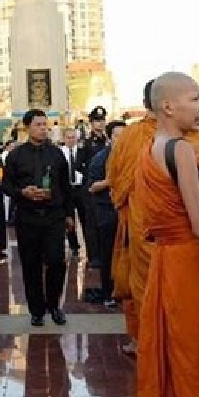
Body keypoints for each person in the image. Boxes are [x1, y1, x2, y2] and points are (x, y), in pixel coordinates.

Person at [134, 72, 199, 397]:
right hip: (192, 265)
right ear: (168, 106)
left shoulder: (148, 148)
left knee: (175, 357)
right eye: (196, 98)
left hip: (166, 262)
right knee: (195, 362)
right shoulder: (181, 149)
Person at [109, 80, 199, 346]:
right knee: (190, 339)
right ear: (167, 106)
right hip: (187, 248)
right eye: (196, 99)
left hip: (151, 235)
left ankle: (144, 341)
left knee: (155, 306)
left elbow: (116, 182)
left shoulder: (142, 143)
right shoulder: (189, 145)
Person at [2, 108, 72, 327]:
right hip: (27, 217)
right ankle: (36, 310)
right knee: (30, 264)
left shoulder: (57, 154)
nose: (43, 129)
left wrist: (69, 214)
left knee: (56, 261)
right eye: (38, 125)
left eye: (45, 125)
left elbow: (66, 186)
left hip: (53, 216)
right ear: (27, 127)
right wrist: (23, 192)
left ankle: (54, 305)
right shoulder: (16, 155)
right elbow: (6, 185)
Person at [85, 120, 126, 308]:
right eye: (118, 136)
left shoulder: (131, 157)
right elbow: (92, 187)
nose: (122, 140)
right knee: (108, 253)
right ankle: (108, 292)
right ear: (109, 138)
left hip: (129, 211)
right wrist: (111, 181)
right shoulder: (100, 159)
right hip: (108, 210)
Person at [78, 106, 111, 268]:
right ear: (91, 123)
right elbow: (79, 164)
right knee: (91, 222)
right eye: (97, 121)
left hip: (108, 186)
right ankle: (94, 255)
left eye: (102, 120)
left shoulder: (108, 140)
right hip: (91, 186)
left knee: (106, 220)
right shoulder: (86, 143)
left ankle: (106, 253)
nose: (100, 124)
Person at [59, 128, 88, 259]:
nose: (71, 140)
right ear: (64, 139)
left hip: (80, 189)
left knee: (86, 218)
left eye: (73, 137)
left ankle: (90, 246)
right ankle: (74, 246)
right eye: (68, 137)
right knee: (69, 219)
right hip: (67, 190)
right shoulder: (59, 154)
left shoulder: (83, 152)